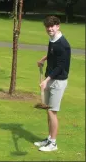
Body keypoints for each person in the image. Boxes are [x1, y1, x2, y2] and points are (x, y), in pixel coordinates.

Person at [34, 16, 71, 152]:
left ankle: (53, 144)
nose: (50, 28)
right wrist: (43, 59)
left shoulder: (63, 44)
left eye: (52, 26)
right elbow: (51, 53)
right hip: (51, 79)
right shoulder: (53, 39)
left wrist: (46, 80)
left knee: (52, 111)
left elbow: (60, 67)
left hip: (58, 81)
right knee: (48, 110)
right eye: (48, 26)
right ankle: (49, 138)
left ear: (58, 26)